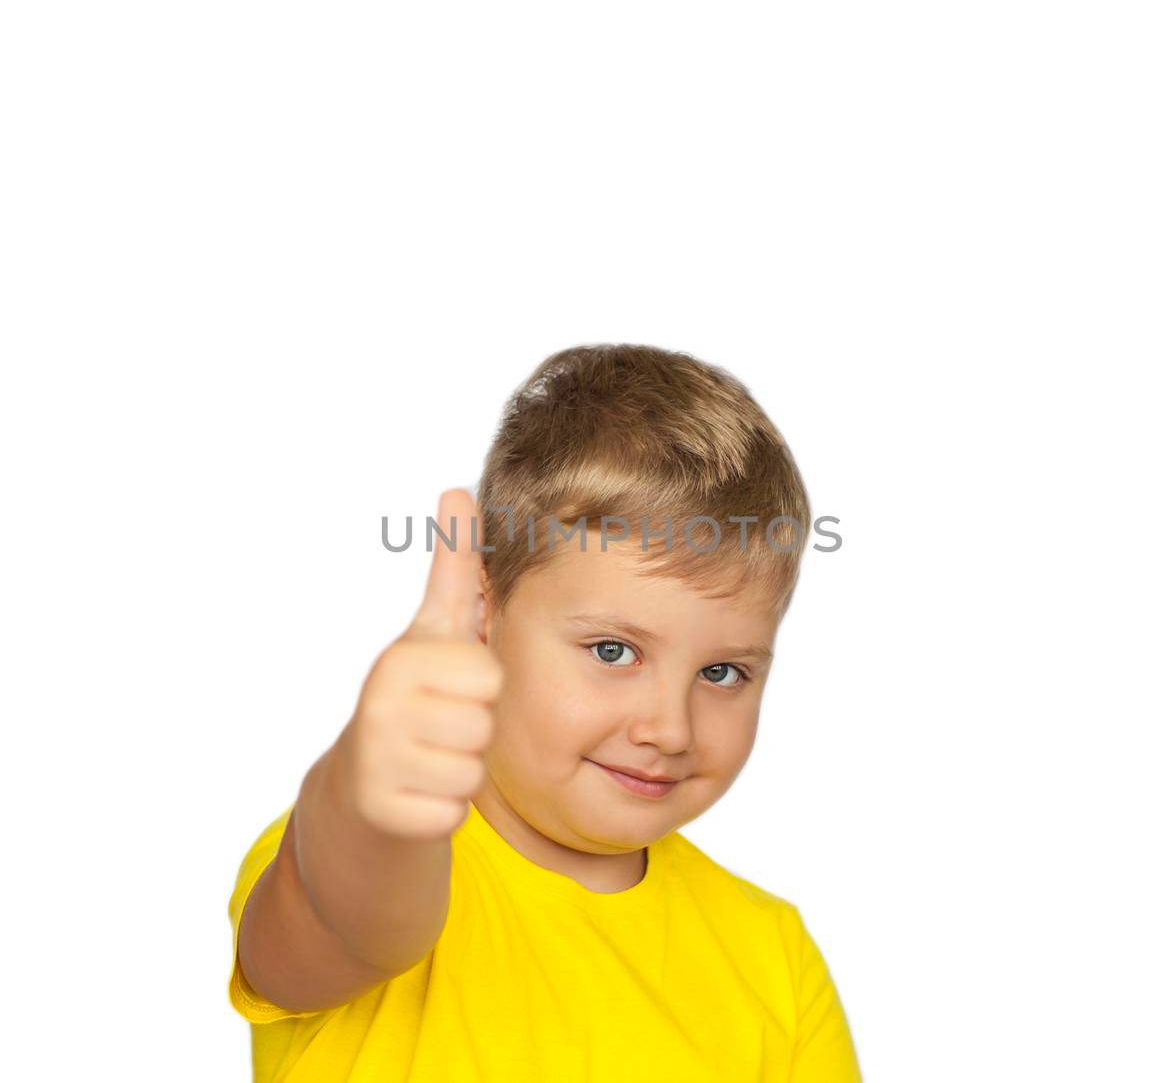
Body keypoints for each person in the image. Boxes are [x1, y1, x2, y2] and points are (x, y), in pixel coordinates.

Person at [226, 343, 862, 1081]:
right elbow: (346, 922)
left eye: (722, 672)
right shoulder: (374, 852)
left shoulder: (772, 956)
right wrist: (368, 805)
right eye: (613, 652)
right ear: (482, 613)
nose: (671, 729)